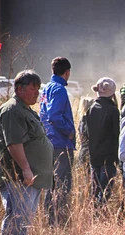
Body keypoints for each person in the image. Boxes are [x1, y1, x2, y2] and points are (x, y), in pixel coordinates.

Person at [0, 70, 53, 235]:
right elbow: (14, 143)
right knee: (18, 216)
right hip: (17, 176)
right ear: (19, 89)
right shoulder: (12, 110)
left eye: (38, 88)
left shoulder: (25, 110)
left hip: (30, 177)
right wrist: (26, 170)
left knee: (24, 218)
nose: (37, 92)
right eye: (33, 88)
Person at [40, 57, 76, 226]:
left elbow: (45, 114)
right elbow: (55, 115)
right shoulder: (60, 89)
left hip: (48, 141)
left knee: (51, 182)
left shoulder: (46, 88)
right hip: (61, 143)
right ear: (67, 72)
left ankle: (49, 218)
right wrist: (68, 131)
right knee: (62, 183)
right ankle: (58, 220)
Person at [86, 77, 120, 209]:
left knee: (95, 191)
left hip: (94, 156)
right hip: (109, 157)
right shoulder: (113, 110)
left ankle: (94, 215)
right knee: (105, 191)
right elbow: (117, 134)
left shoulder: (91, 108)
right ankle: (101, 214)